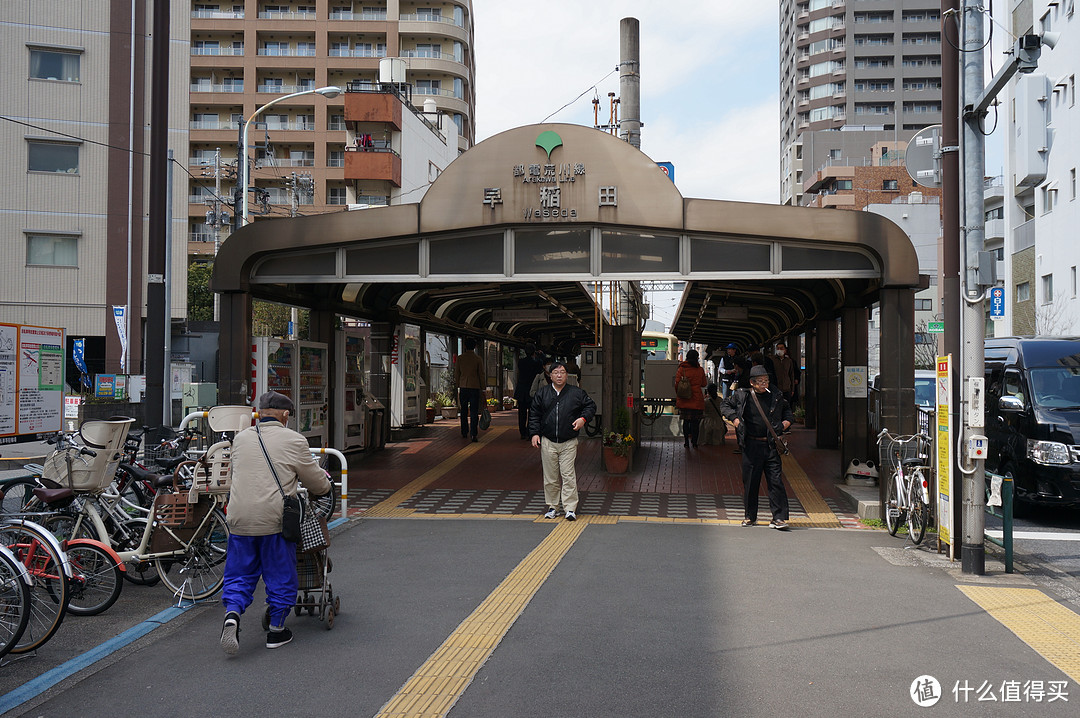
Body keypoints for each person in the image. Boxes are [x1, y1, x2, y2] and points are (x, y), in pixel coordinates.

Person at [220, 391, 332, 654]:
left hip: (239, 519)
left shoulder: (242, 439)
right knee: (280, 574)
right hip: (275, 521)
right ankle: (277, 630)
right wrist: (325, 486)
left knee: (239, 574)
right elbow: (316, 482)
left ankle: (233, 614)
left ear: (259, 413)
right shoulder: (293, 439)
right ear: (285, 415)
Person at [721, 365, 794, 530]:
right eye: (761, 381)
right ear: (752, 383)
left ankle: (779, 518)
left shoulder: (775, 395)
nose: (764, 383)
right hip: (751, 445)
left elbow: (788, 412)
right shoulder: (742, 395)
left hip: (771, 445)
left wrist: (785, 424)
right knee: (751, 482)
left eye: (766, 380)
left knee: (776, 481)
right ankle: (750, 516)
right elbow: (724, 405)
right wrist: (735, 420)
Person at [529, 362, 596, 521]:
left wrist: (583, 419)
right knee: (550, 477)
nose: (559, 375)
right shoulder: (542, 393)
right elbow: (534, 415)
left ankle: (570, 508)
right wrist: (534, 434)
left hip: (569, 441)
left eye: (563, 372)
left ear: (567, 375)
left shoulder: (576, 393)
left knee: (568, 475)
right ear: (550, 376)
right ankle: (553, 506)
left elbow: (590, 406)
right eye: (556, 372)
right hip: (548, 441)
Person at [454, 337, 486, 442]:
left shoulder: (460, 358)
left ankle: (464, 432)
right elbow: (481, 374)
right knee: (474, 411)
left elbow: (457, 374)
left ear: (464, 346)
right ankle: (473, 434)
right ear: (475, 346)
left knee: (463, 411)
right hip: (474, 387)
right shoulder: (478, 359)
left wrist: (458, 385)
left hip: (463, 387)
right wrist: (483, 388)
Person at [674, 349, 708, 448]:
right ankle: (695, 442)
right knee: (695, 422)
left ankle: (686, 442)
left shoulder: (682, 369)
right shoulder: (700, 369)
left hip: (684, 399)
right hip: (696, 399)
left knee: (686, 421)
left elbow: (677, 384)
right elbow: (704, 384)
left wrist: (680, 394)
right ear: (696, 358)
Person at [515, 343, 544, 440]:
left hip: (521, 391)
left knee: (522, 413)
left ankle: (522, 432)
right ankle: (529, 431)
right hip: (532, 390)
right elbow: (542, 365)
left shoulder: (521, 362)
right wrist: (540, 355)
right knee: (532, 413)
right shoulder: (537, 362)